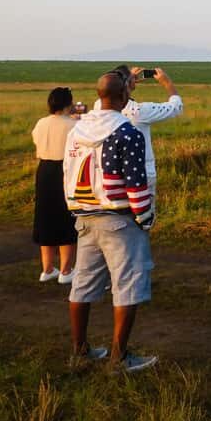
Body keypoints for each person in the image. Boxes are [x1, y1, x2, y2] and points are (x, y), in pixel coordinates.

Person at [64, 73, 157, 371]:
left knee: (83, 284)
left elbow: (66, 170)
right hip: (119, 218)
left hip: (84, 216)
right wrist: (145, 216)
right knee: (128, 285)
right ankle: (120, 356)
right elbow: (135, 182)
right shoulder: (128, 133)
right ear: (123, 98)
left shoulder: (77, 130)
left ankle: (79, 350)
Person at [95, 65, 183, 227]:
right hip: (140, 175)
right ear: (127, 87)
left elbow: (109, 92)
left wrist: (126, 83)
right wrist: (167, 83)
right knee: (141, 224)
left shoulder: (97, 108)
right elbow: (175, 108)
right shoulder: (140, 111)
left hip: (107, 175)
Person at [31, 87, 78, 284]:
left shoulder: (41, 122)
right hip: (64, 171)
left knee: (45, 217)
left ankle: (47, 268)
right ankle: (66, 271)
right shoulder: (73, 124)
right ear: (69, 103)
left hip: (44, 170)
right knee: (66, 218)